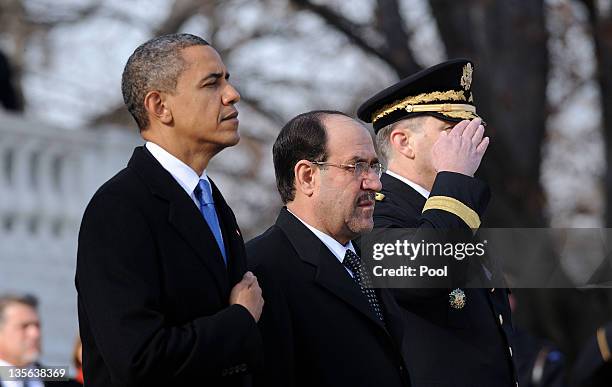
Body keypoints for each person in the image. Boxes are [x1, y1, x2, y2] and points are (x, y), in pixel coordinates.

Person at [76, 33, 264, 387]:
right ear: (160, 107)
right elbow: (138, 358)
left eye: (227, 79)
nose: (232, 94)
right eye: (212, 83)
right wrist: (239, 319)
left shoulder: (212, 200)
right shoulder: (119, 208)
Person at [356, 59, 518, 386]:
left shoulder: (457, 207)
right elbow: (424, 276)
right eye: (451, 131)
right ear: (404, 143)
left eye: (471, 128)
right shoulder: (374, 212)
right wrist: (455, 177)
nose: (470, 141)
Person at [247, 110, 410, 387]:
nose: (374, 183)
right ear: (307, 176)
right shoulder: (261, 270)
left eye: (374, 166)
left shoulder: (369, 257)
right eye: (356, 166)